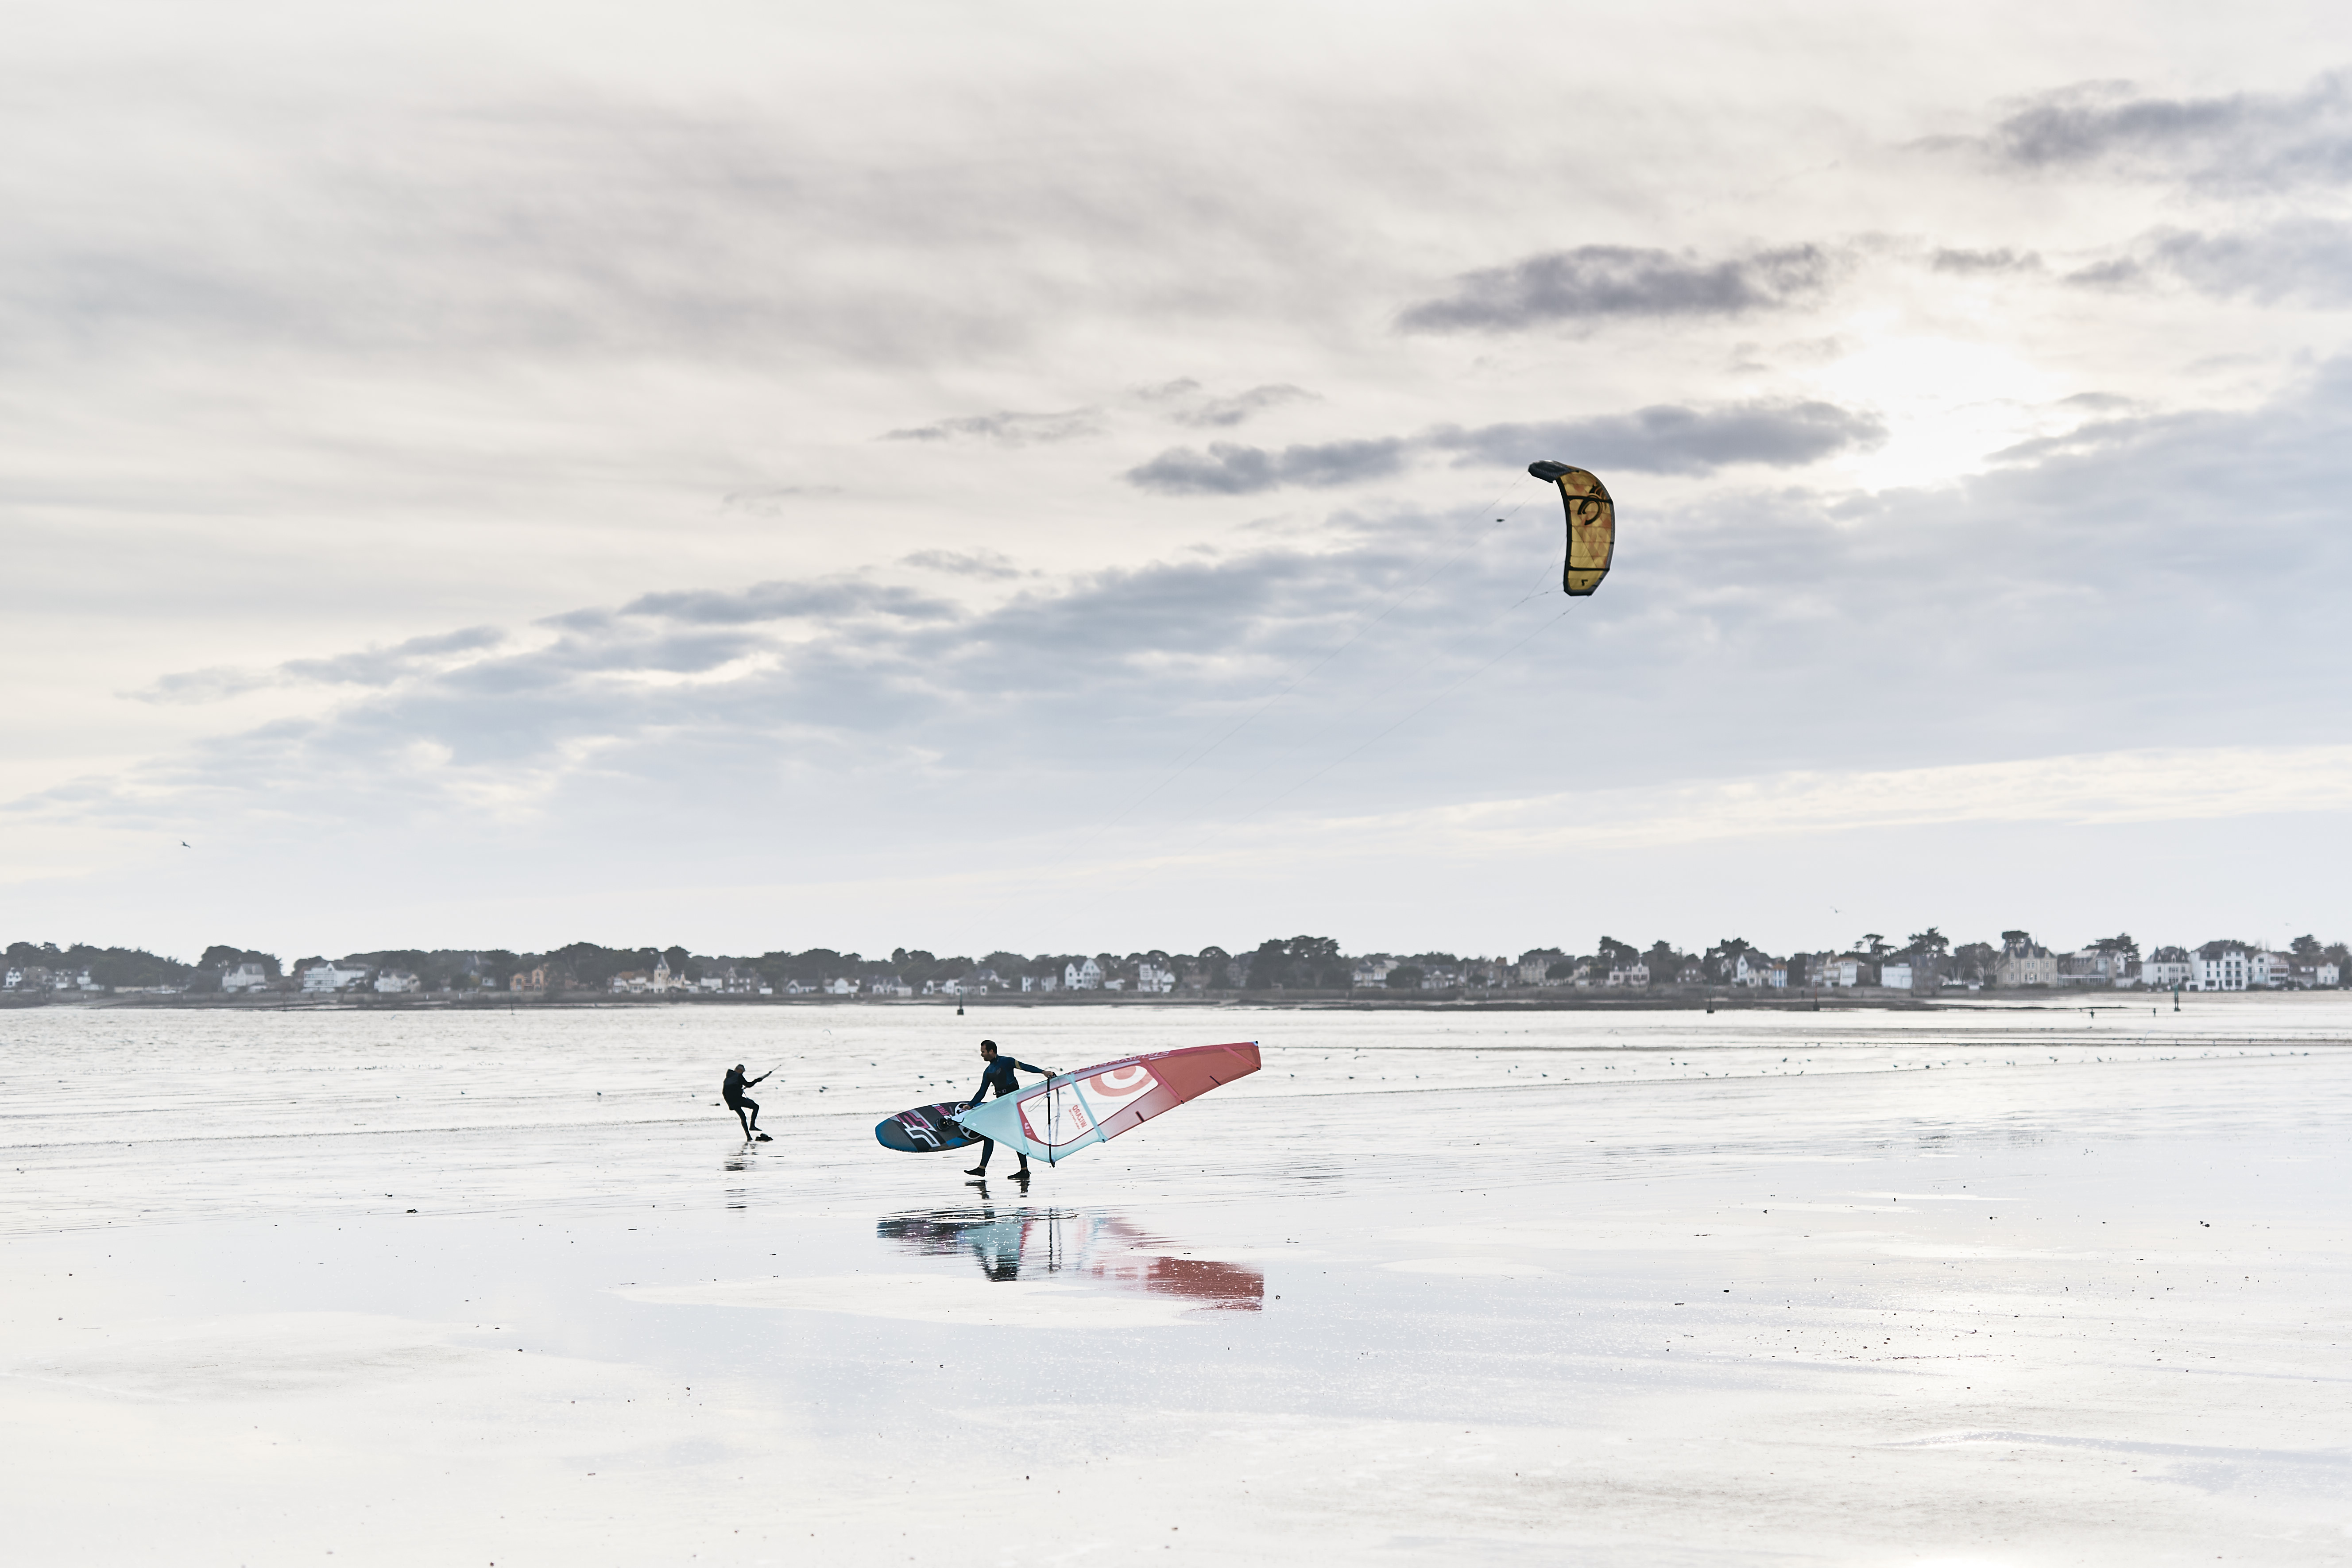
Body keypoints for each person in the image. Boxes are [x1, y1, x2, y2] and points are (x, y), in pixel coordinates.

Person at [962, 1039, 1053, 1178]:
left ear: (991, 1051)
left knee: (1000, 1134)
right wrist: (970, 1105)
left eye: (983, 1052)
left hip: (1012, 1103)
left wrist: (1043, 1072)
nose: (982, 1055)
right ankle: (1016, 1170)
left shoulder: (1007, 1062)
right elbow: (982, 1092)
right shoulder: (988, 1072)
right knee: (991, 1134)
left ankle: (1019, 1170)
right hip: (1002, 1105)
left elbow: (1024, 1067)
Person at [722, 1062, 772, 1140]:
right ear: (738, 1070)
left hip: (731, 1101)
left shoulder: (728, 1078)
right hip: (738, 1100)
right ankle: (752, 1126)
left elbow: (725, 1092)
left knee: (743, 1117)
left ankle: (748, 1137)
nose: (742, 1073)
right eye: (742, 1071)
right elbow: (748, 1085)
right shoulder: (738, 1076)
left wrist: (730, 1104)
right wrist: (757, 1080)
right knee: (756, 1107)